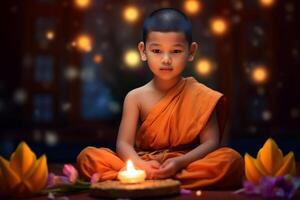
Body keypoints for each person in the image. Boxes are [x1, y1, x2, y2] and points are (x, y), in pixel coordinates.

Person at [77, 8, 244, 189]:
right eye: (156, 50)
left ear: (191, 51)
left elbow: (211, 143)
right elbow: (124, 144)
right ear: (143, 50)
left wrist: (179, 163)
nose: (166, 59)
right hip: (145, 161)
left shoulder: (202, 96)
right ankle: (158, 179)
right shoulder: (135, 97)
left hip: (186, 162)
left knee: (231, 160)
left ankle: (149, 180)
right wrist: (141, 166)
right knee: (88, 157)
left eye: (175, 51)